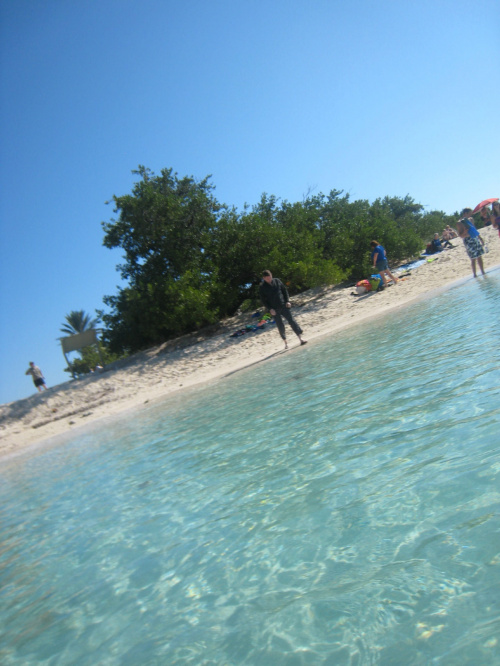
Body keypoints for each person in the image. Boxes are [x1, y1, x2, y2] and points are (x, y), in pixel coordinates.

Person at [259, 270, 307, 349]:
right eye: (267, 278)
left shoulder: (277, 281)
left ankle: (300, 339)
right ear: (264, 278)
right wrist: (270, 309)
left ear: (271, 275)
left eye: (270, 277)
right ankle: (285, 343)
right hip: (274, 309)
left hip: (283, 305)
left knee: (292, 321)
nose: (269, 279)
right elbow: (263, 301)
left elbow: (284, 291)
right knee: (280, 325)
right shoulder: (262, 287)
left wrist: (287, 301)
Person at [457, 208, 485, 277]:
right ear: (465, 213)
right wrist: (465, 232)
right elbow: (460, 235)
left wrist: (480, 238)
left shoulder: (471, 219)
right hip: (468, 240)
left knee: (479, 256)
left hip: (474, 238)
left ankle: (483, 272)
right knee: (473, 258)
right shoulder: (459, 222)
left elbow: (474, 229)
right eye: (469, 213)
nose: (471, 214)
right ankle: (475, 275)